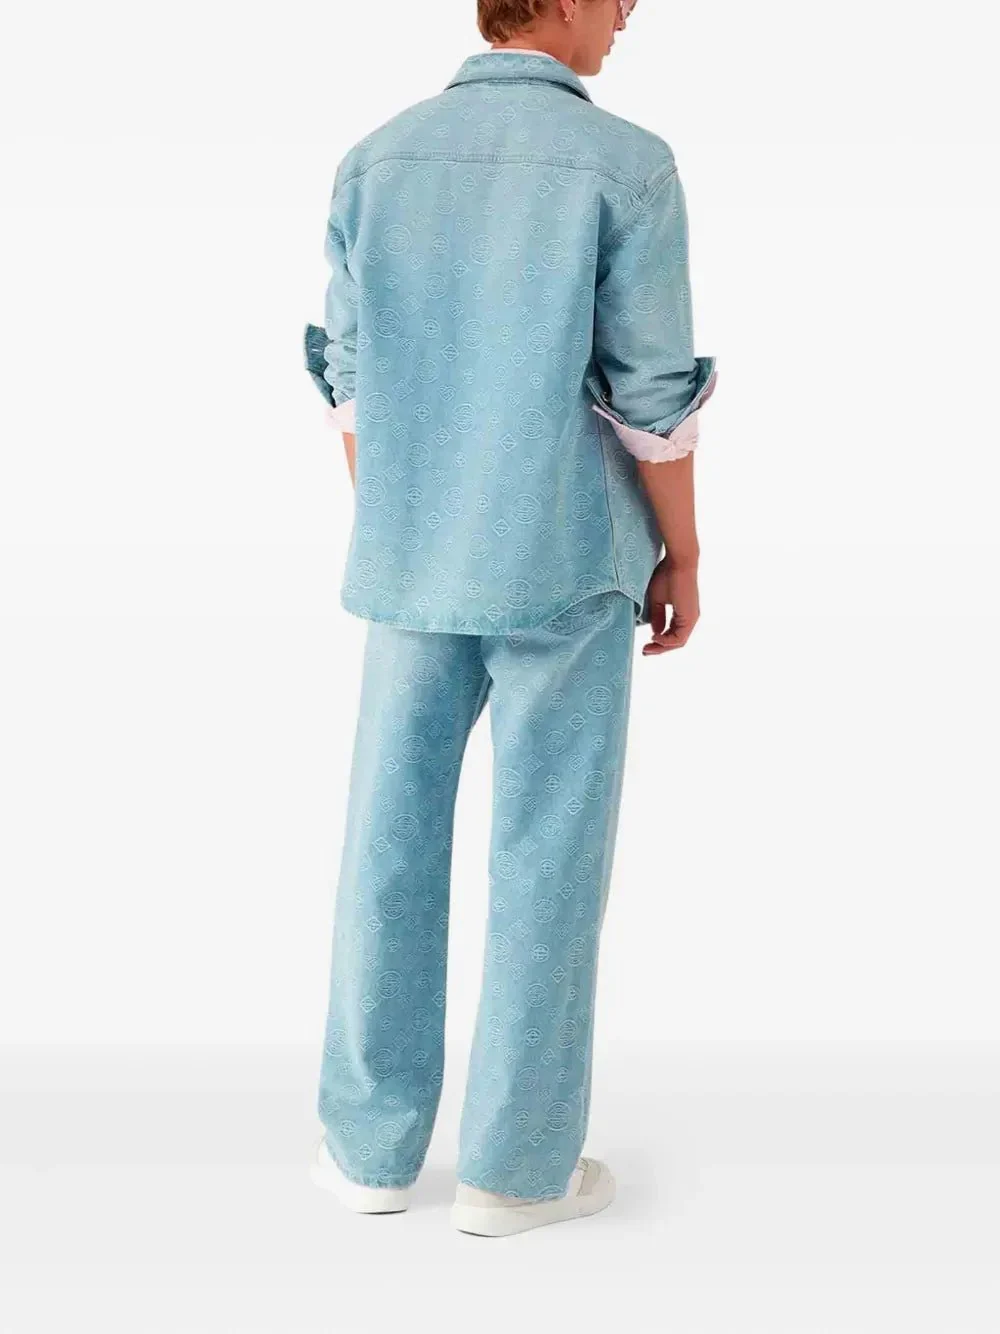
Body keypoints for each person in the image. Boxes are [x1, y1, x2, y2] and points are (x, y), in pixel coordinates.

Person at [302, 0, 717, 1237]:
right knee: (547, 854)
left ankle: (369, 1155)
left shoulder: (376, 158)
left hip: (412, 556)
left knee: (386, 843)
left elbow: (353, 380)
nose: (630, 15)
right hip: (567, 558)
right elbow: (653, 389)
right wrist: (684, 548)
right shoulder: (625, 165)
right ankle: (515, 1171)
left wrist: (418, 517)